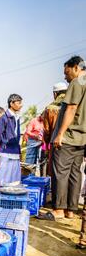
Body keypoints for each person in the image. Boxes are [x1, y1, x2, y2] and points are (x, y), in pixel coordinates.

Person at [41, 55, 86, 221]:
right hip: (81, 139)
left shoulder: (78, 82)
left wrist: (59, 133)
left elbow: (72, 108)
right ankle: (71, 210)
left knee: (60, 173)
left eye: (66, 72)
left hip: (67, 137)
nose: (65, 77)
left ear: (76, 67)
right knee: (75, 173)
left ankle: (59, 209)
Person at [0, 94, 23, 186]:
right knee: (3, 178)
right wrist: (5, 143)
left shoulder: (17, 117)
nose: (21, 105)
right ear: (11, 103)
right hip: (6, 152)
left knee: (14, 179)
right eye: (18, 103)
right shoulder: (4, 118)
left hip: (15, 151)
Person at [42, 82, 68, 175]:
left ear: (55, 94)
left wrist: (46, 146)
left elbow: (47, 130)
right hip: (73, 144)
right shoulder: (73, 106)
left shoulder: (50, 108)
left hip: (56, 143)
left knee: (56, 172)